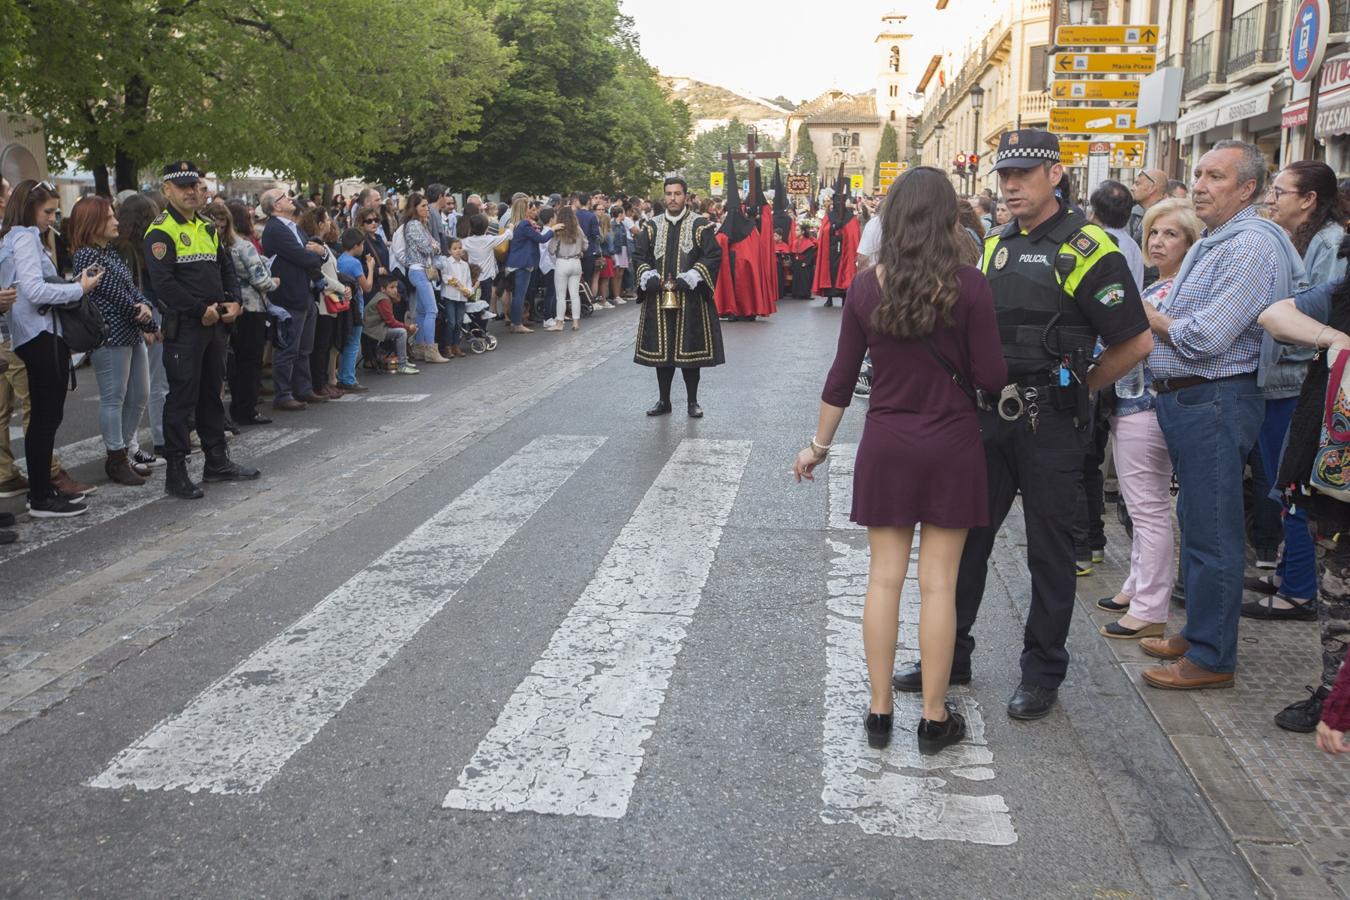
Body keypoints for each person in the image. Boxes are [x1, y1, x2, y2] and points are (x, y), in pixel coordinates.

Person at [893, 130, 1153, 720]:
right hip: (986, 420)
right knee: (965, 543)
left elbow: (1135, 341)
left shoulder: (1087, 246)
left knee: (1049, 554)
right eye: (1004, 175)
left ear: (1055, 175)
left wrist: (1078, 388)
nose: (1009, 185)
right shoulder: (996, 244)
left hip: (1052, 425)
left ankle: (1041, 673)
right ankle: (950, 656)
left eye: (1023, 175)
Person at [793, 167, 1007, 754]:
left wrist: (817, 446)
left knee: (883, 580)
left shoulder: (865, 288)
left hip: (887, 444)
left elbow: (841, 378)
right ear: (947, 217)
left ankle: (879, 710)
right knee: (938, 585)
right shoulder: (971, 286)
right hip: (953, 445)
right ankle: (934, 719)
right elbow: (990, 376)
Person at [1138, 141, 1304, 691]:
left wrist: (1149, 316)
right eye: (1199, 174)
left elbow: (1207, 335)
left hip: (1214, 397)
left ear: (1248, 189)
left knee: (1213, 531)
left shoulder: (1252, 245)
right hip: (1194, 399)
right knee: (1199, 524)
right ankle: (1200, 631)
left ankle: (1211, 658)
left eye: (1216, 177)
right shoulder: (1220, 239)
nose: (1201, 186)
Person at [1245, 161, 1349, 624]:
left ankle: (1299, 587)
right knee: (1288, 486)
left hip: (1307, 389)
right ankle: (1292, 578)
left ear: (1308, 200)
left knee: (1301, 489)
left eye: (1279, 192)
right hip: (1298, 383)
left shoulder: (1329, 245)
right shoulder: (1299, 241)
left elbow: (1314, 320)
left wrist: (1324, 342)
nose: (1271, 199)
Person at [1097, 199, 1202, 639]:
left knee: (1149, 508)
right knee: (1143, 508)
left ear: (1191, 242)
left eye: (1171, 234)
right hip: (1135, 401)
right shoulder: (1157, 286)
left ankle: (1149, 606)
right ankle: (1137, 585)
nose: (1158, 241)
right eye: (1154, 233)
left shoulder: (1176, 290)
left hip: (1145, 403)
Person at [1255, 267, 1350, 735]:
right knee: (1337, 592)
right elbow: (1275, 315)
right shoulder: (1340, 287)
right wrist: (1337, 339)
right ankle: (1336, 694)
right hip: (1338, 476)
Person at [144, 161, 260, 499]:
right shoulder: (161, 231)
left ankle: (216, 462)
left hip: (215, 326)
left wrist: (234, 301)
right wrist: (200, 311)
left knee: (212, 393)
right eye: (183, 187)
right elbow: (164, 285)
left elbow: (225, 268)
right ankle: (176, 473)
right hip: (187, 327)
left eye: (195, 185)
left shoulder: (207, 227)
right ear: (167, 190)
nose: (192, 191)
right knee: (181, 399)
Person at [0, 180, 103, 517]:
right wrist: (79, 289)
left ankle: (42, 493)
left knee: (45, 417)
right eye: (48, 211)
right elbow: (34, 291)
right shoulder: (24, 237)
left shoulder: (16, 238)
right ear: (29, 208)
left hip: (35, 334)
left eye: (55, 212)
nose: (52, 218)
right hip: (40, 335)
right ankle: (41, 496)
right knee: (45, 418)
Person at [67, 195, 158, 486]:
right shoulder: (86, 255)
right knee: (114, 397)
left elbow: (131, 288)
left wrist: (144, 306)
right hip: (110, 336)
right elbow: (118, 297)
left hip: (129, 331)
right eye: (108, 217)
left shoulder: (108, 252)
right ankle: (116, 458)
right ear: (92, 222)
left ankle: (124, 450)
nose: (116, 221)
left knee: (139, 394)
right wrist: (145, 316)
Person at [632, 177, 723, 418]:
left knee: (689, 354)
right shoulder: (651, 226)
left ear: (685, 196)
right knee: (663, 354)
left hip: (690, 299)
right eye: (669, 193)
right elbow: (639, 256)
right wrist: (647, 276)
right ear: (664, 196)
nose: (672, 198)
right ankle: (664, 400)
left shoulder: (700, 225)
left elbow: (712, 255)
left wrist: (694, 275)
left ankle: (693, 402)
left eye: (677, 194)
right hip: (658, 299)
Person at [112, 193, 167, 469]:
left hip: (143, 313)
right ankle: (146, 441)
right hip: (146, 314)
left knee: (138, 388)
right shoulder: (138, 247)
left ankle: (130, 446)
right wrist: (147, 322)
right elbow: (136, 288)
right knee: (147, 386)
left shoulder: (125, 246)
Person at [260, 187, 327, 410]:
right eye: (284, 197)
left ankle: (303, 389)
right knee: (288, 347)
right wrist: (316, 254)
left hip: (305, 293)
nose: (290, 199)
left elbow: (313, 250)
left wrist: (318, 253)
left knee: (304, 347)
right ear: (276, 206)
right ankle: (283, 393)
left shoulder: (294, 227)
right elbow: (302, 255)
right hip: (289, 295)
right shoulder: (275, 229)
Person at [223, 200, 276, 425]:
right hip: (252, 306)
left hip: (232, 306)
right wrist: (274, 282)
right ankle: (247, 409)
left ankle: (238, 406)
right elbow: (260, 280)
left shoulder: (223, 246)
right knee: (251, 361)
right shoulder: (244, 246)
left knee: (236, 362)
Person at [400, 192, 448, 362]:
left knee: (421, 311)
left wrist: (433, 246)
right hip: (418, 270)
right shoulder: (413, 225)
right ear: (414, 208)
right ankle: (430, 349)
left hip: (422, 270)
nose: (426, 209)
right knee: (431, 310)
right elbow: (429, 247)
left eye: (427, 205)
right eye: (422, 206)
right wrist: (433, 246)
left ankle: (420, 347)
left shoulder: (421, 224)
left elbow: (434, 245)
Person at [503, 199, 553, 333]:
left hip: (516, 262)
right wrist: (553, 230)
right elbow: (541, 239)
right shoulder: (525, 224)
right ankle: (517, 323)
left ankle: (515, 322)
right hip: (523, 262)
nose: (534, 211)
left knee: (517, 294)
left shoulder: (517, 224)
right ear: (525, 209)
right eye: (531, 209)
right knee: (520, 294)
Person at [335, 227, 374, 390]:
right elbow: (367, 287)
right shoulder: (355, 263)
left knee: (345, 342)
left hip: (342, 304)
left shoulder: (340, 260)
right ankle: (349, 378)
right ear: (356, 245)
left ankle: (341, 375)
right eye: (362, 244)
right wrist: (370, 267)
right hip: (355, 306)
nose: (363, 247)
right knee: (353, 343)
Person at [362, 277, 418, 374]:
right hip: (373, 329)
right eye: (391, 287)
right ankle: (402, 365)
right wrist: (408, 327)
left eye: (395, 287)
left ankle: (402, 360)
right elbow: (391, 322)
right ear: (383, 289)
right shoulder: (383, 300)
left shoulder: (384, 297)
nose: (395, 290)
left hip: (376, 326)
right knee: (401, 332)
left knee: (401, 330)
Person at [548, 206, 587, 332]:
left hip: (562, 262)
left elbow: (551, 250)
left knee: (561, 296)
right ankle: (576, 322)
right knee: (575, 295)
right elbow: (586, 245)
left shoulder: (559, 231)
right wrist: (579, 250)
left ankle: (559, 323)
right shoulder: (578, 229)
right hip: (576, 262)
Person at [438, 237, 474, 356]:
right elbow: (444, 277)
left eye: (459, 248)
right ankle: (447, 346)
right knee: (451, 322)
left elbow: (468, 281)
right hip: (450, 296)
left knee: (459, 322)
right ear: (449, 251)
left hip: (461, 297)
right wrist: (455, 282)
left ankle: (456, 345)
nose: (458, 251)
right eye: (454, 249)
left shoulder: (465, 265)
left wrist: (468, 291)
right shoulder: (446, 262)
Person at [1127, 168, 1169, 247]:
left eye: (1137, 184)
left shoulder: (1163, 218)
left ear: (1152, 188)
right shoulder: (1141, 213)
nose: (1132, 188)